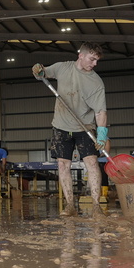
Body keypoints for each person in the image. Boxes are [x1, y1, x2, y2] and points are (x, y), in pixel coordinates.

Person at [32, 42, 108, 218]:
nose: (94, 64)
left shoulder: (96, 82)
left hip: (85, 127)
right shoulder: (62, 68)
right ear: (81, 55)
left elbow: (100, 111)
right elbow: (43, 73)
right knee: (62, 165)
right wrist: (38, 70)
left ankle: (96, 206)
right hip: (61, 126)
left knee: (92, 163)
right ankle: (70, 206)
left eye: (97, 60)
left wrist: (102, 133)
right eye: (92, 59)